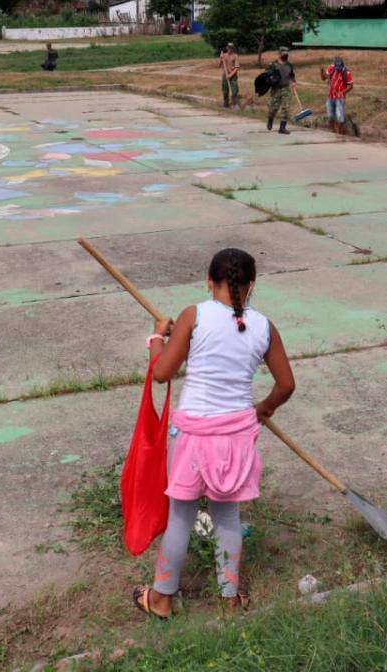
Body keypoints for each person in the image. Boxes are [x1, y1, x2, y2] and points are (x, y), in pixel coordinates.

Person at [133, 248, 296, 619]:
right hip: (236, 435)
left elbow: (161, 372)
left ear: (210, 281)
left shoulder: (195, 315)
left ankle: (161, 598)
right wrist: (263, 408)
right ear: (251, 285)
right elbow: (286, 384)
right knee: (227, 518)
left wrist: (157, 338)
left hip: (192, 434)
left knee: (181, 518)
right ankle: (229, 600)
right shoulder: (264, 326)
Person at [265, 47, 297, 134]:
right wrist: (271, 80)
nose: (286, 55)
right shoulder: (273, 64)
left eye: (287, 54)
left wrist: (294, 82)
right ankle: (270, 119)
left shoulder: (289, 65)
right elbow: (266, 75)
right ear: (279, 54)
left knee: (286, 107)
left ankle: (282, 128)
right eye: (284, 54)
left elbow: (292, 75)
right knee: (273, 108)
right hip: (275, 89)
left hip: (286, 88)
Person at [319, 57, 353, 135]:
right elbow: (323, 78)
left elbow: (351, 86)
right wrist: (322, 72)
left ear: (342, 65)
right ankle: (333, 132)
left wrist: (342, 92)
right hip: (330, 96)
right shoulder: (331, 68)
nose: (338, 69)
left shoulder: (346, 72)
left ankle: (339, 132)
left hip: (340, 98)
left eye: (339, 68)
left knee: (340, 118)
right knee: (330, 116)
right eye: (337, 68)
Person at [219, 43, 241, 109]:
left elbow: (237, 67)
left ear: (233, 48)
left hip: (233, 75)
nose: (230, 49)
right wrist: (220, 58)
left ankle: (235, 105)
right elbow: (220, 65)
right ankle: (226, 104)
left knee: (234, 91)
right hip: (225, 74)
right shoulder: (224, 55)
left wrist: (230, 75)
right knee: (225, 90)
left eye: (231, 48)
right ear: (227, 48)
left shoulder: (235, 56)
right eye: (229, 47)